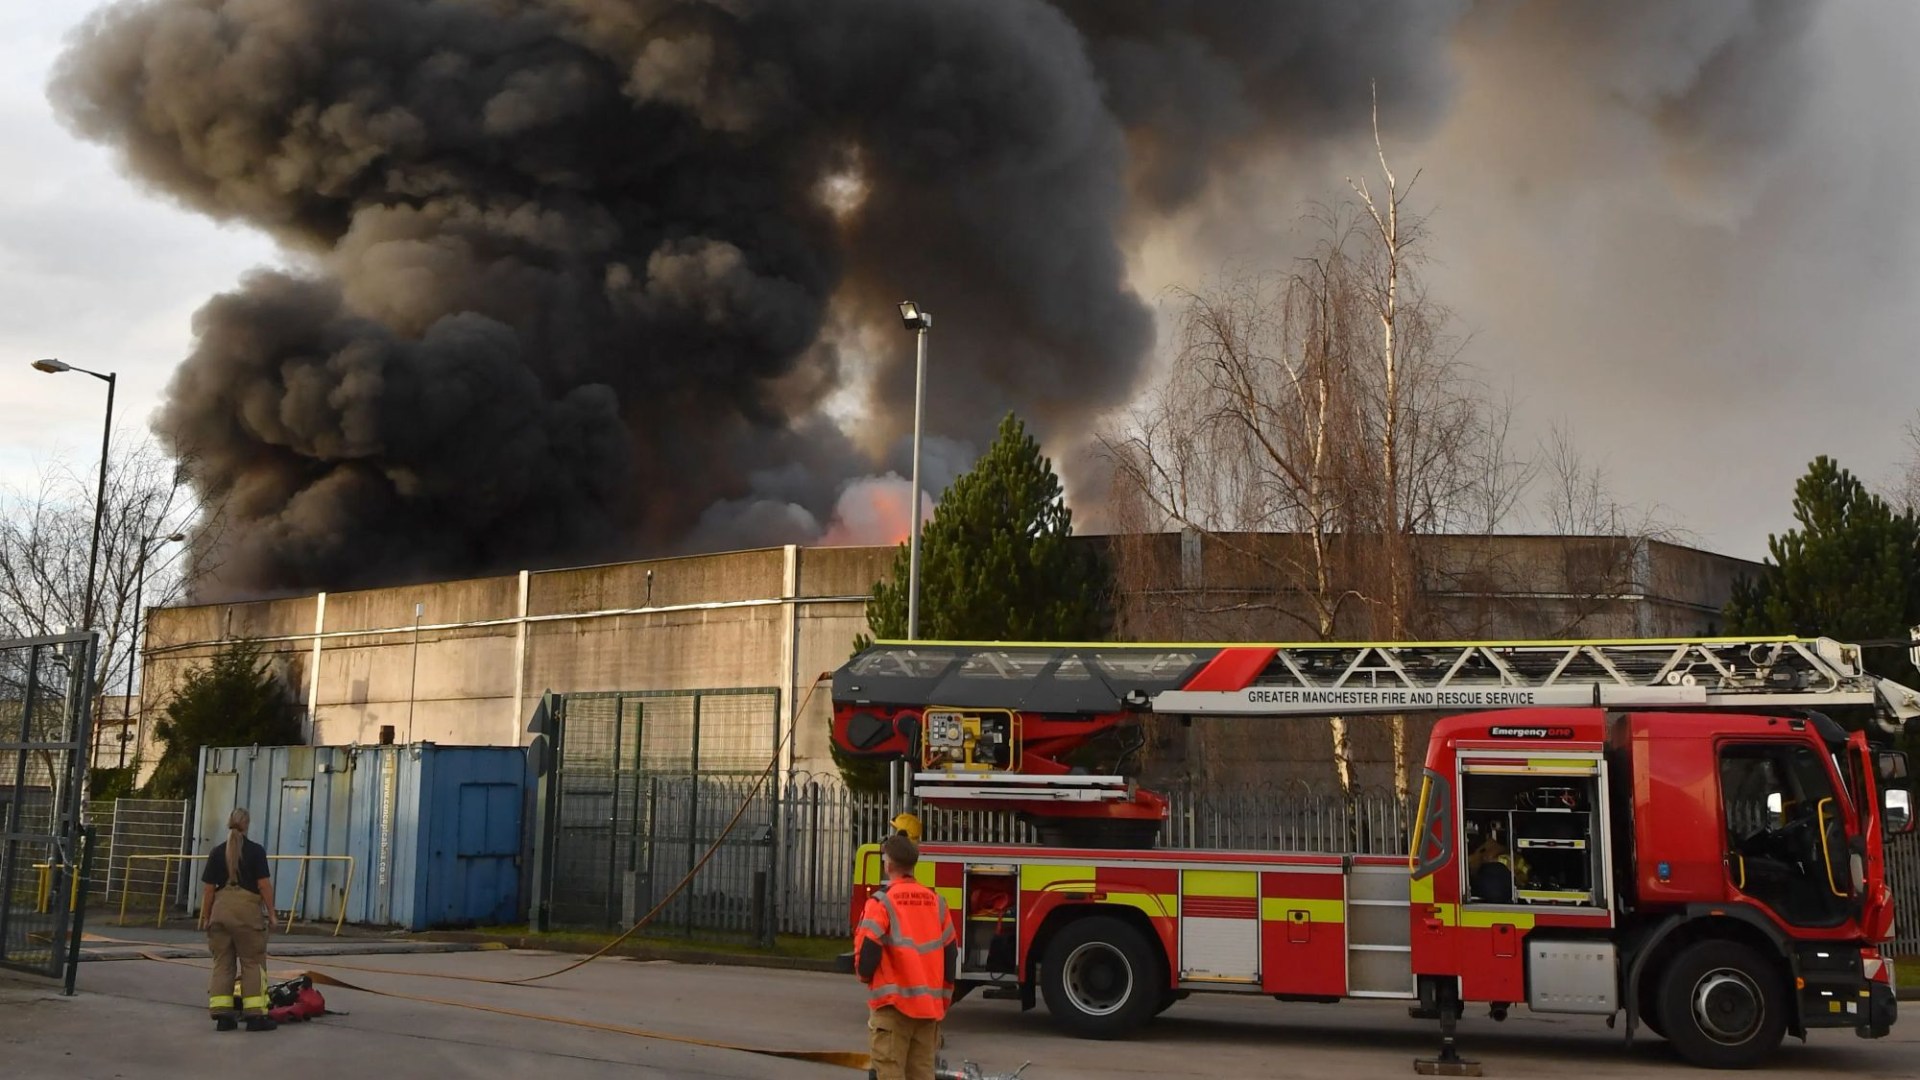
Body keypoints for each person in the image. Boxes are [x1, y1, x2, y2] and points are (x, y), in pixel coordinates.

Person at [854, 833, 956, 1080]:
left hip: (892, 1010)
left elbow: (868, 955)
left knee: (889, 1073)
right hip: (927, 1013)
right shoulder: (936, 902)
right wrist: (942, 1000)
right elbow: (950, 954)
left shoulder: (882, 903)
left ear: (887, 864)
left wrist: (865, 976)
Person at [200, 807, 277, 1032]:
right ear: (247, 824)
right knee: (252, 963)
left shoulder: (216, 852)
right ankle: (254, 1016)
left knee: (222, 964)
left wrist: (206, 917)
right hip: (247, 914)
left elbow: (208, 890)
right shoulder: (255, 852)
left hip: (220, 912)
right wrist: (271, 913)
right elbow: (263, 885)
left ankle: (223, 1016)